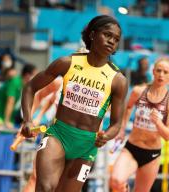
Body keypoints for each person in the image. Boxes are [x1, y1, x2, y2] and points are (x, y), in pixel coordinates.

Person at [20, 15, 128, 192]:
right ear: (92, 35)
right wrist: (27, 120)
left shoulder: (118, 80)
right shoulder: (67, 63)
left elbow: (116, 124)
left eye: (116, 39)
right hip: (58, 135)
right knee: (45, 187)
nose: (112, 41)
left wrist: (107, 135)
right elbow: (30, 87)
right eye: (107, 35)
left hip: (87, 146)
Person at [110, 57, 169, 192]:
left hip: (151, 154)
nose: (161, 75)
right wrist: (122, 129)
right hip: (131, 148)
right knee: (116, 181)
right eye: (158, 70)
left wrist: (158, 122)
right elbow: (128, 107)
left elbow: (168, 136)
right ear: (153, 71)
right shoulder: (138, 91)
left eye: (166, 72)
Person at [0, 64, 37, 128]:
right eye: (35, 75)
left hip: (10, 116)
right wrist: (7, 121)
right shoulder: (15, 82)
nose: (37, 77)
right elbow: (10, 102)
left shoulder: (25, 86)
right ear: (27, 75)